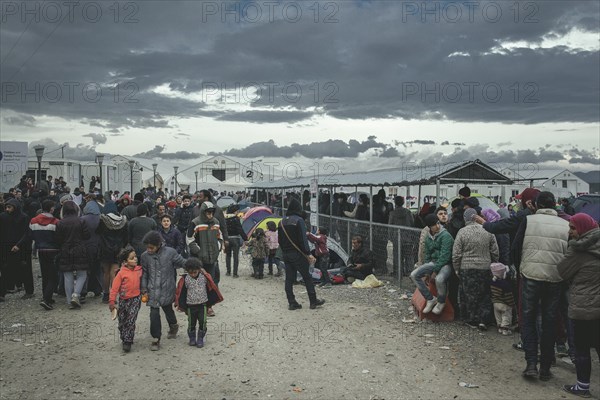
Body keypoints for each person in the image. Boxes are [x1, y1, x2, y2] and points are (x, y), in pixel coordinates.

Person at [513, 191, 569, 380]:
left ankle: (530, 364)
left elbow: (515, 248)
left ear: (536, 205)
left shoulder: (529, 221)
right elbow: (570, 254)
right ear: (554, 205)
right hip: (555, 278)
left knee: (528, 319)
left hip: (530, 276)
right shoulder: (566, 225)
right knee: (549, 321)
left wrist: (521, 268)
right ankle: (545, 367)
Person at [558, 213, 600, 398]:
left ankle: (582, 386)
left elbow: (562, 271)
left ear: (582, 228)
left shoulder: (577, 251)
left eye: (573, 228)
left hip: (583, 306)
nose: (570, 232)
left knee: (582, 348)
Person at [452, 208, 499, 330]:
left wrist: (457, 268)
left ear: (465, 218)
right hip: (485, 267)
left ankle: (471, 319)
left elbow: (456, 253)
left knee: (468, 295)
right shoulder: (487, 230)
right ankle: (484, 320)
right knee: (485, 294)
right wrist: (493, 263)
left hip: (467, 268)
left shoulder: (462, 232)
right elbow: (495, 251)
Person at [140, 230, 186, 351]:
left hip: (167, 288)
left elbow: (182, 262)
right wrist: (144, 288)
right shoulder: (144, 256)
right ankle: (156, 338)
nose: (149, 250)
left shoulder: (170, 253)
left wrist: (194, 266)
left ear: (159, 245)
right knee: (153, 314)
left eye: (152, 247)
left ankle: (173, 325)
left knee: (167, 309)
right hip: (152, 290)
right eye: (147, 247)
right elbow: (144, 273)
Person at [278, 198, 324, 310]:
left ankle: (292, 302)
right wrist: (308, 254)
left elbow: (280, 240)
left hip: (286, 254)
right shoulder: (299, 220)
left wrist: (285, 251)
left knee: (289, 279)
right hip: (298, 254)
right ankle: (313, 301)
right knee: (307, 277)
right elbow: (303, 240)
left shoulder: (281, 222)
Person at [411, 213, 454, 315]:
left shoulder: (446, 236)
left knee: (439, 279)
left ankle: (441, 301)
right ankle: (430, 298)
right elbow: (427, 255)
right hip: (433, 263)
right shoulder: (428, 237)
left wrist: (434, 271)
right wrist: (427, 271)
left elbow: (445, 256)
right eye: (434, 225)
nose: (438, 226)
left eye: (438, 223)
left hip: (446, 264)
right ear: (429, 227)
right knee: (414, 275)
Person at [175, 258, 223, 348]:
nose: (193, 274)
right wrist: (181, 305)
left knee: (203, 321)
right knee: (191, 323)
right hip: (190, 306)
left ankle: (200, 338)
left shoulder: (204, 277)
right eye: (190, 272)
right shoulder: (184, 279)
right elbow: (181, 292)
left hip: (202, 305)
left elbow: (211, 288)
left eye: (195, 272)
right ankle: (192, 338)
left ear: (199, 269)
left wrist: (210, 304)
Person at [187, 201, 223, 316]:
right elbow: (189, 238)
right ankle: (195, 306)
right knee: (198, 283)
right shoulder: (195, 223)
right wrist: (198, 251)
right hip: (199, 260)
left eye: (212, 212)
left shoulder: (216, 223)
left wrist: (218, 248)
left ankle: (209, 307)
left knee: (210, 282)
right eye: (208, 212)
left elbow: (219, 237)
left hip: (212, 258)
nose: (210, 214)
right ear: (203, 212)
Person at [56, 201, 91, 309]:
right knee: (82, 274)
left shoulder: (60, 223)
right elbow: (87, 235)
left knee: (68, 276)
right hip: (80, 249)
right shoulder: (81, 221)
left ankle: (69, 300)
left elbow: (58, 239)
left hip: (65, 250)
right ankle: (76, 295)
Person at [109, 246, 142, 353]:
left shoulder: (139, 270)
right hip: (123, 300)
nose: (135, 259)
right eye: (132, 258)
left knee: (131, 320)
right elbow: (114, 288)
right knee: (122, 321)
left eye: (135, 257)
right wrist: (112, 302)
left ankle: (128, 341)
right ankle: (124, 336)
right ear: (125, 262)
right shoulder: (121, 273)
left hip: (136, 299)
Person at [29, 200, 60, 310]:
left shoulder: (33, 221)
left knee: (45, 275)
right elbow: (59, 237)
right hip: (53, 251)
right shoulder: (55, 222)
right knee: (54, 277)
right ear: (51, 208)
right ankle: (46, 299)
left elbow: (30, 235)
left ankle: (46, 296)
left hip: (40, 250)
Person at [388, 196, 415, 277]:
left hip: (397, 237)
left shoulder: (392, 213)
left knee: (397, 255)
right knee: (409, 255)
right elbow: (412, 223)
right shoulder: (408, 212)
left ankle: (398, 272)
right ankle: (409, 271)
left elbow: (390, 226)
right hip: (408, 237)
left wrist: (390, 237)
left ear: (395, 202)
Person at [225, 204, 247, 278]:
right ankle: (235, 273)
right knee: (235, 256)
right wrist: (245, 238)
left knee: (228, 255)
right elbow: (240, 230)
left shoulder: (225, 218)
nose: (238, 212)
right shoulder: (236, 219)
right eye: (237, 211)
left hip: (227, 239)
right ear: (234, 212)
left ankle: (228, 271)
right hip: (235, 239)